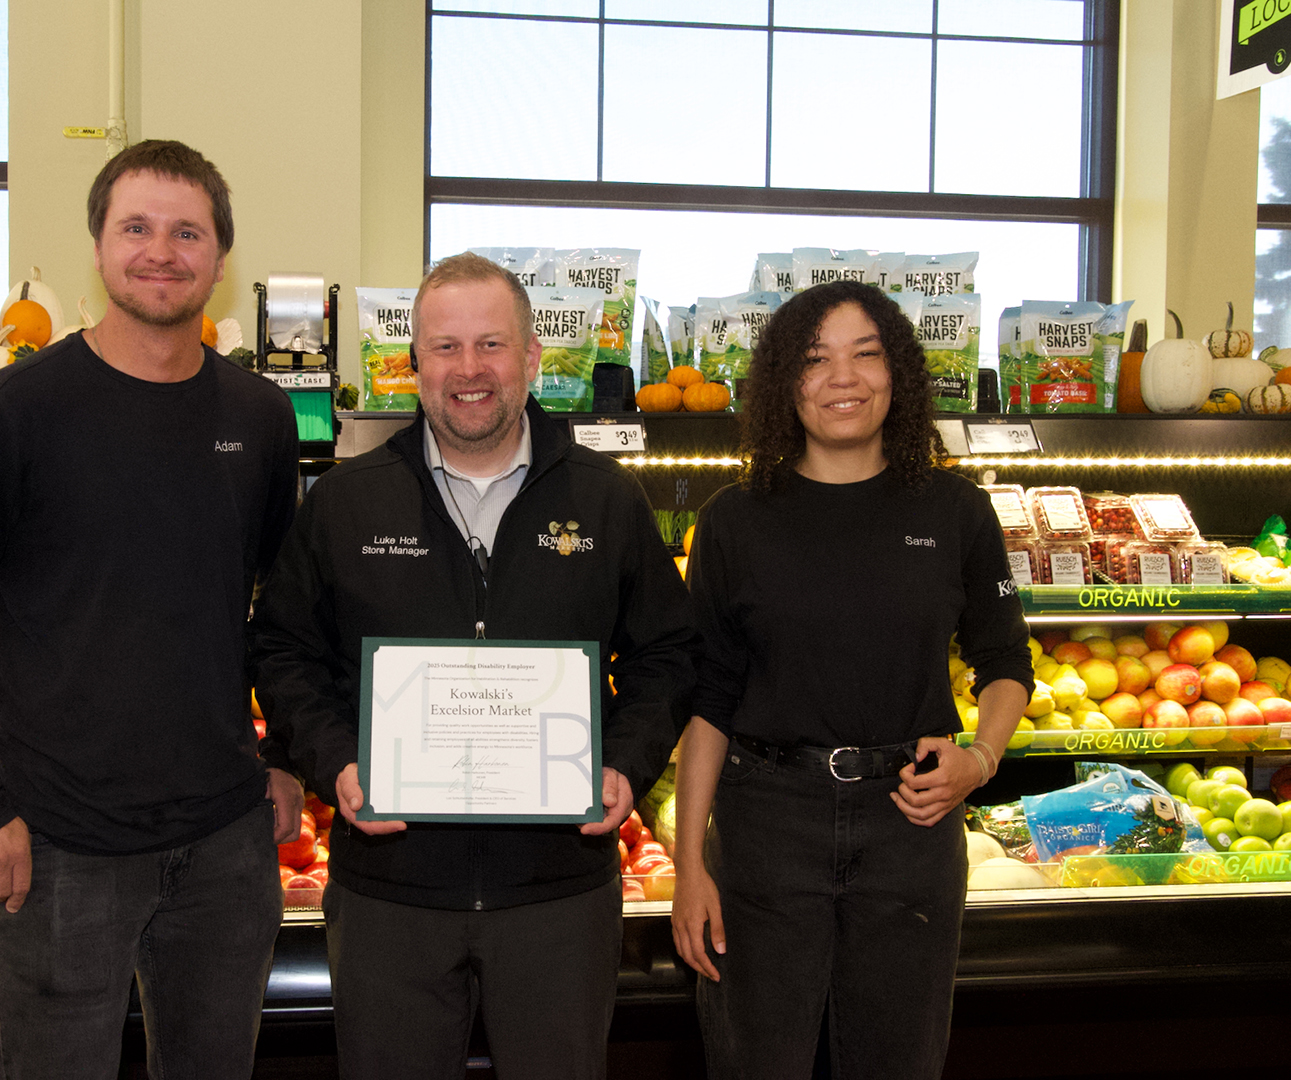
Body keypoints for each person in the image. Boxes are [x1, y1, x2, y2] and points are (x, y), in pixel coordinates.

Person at [0, 139, 303, 1080]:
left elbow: (285, 610)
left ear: (218, 257)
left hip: (227, 846)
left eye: (186, 231)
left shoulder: (260, 415)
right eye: (137, 228)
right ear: (99, 245)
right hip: (56, 845)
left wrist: (285, 753)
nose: (162, 251)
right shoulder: (14, 411)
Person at [250, 252, 695, 1080]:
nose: (468, 370)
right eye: (444, 348)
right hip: (390, 896)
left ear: (530, 358)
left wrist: (625, 763)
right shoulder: (349, 502)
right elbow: (284, 649)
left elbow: (667, 652)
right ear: (412, 363)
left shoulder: (604, 499)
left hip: (557, 894)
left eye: (490, 344)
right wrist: (337, 760)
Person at [668, 279, 1033, 1080]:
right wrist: (690, 862)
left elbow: (1004, 663)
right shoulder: (734, 519)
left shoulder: (954, 511)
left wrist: (980, 758)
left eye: (865, 356)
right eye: (815, 359)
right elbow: (709, 698)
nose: (843, 378)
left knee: (898, 1061)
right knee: (754, 1060)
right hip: (765, 822)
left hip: (910, 821)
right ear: (782, 384)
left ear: (896, 374)